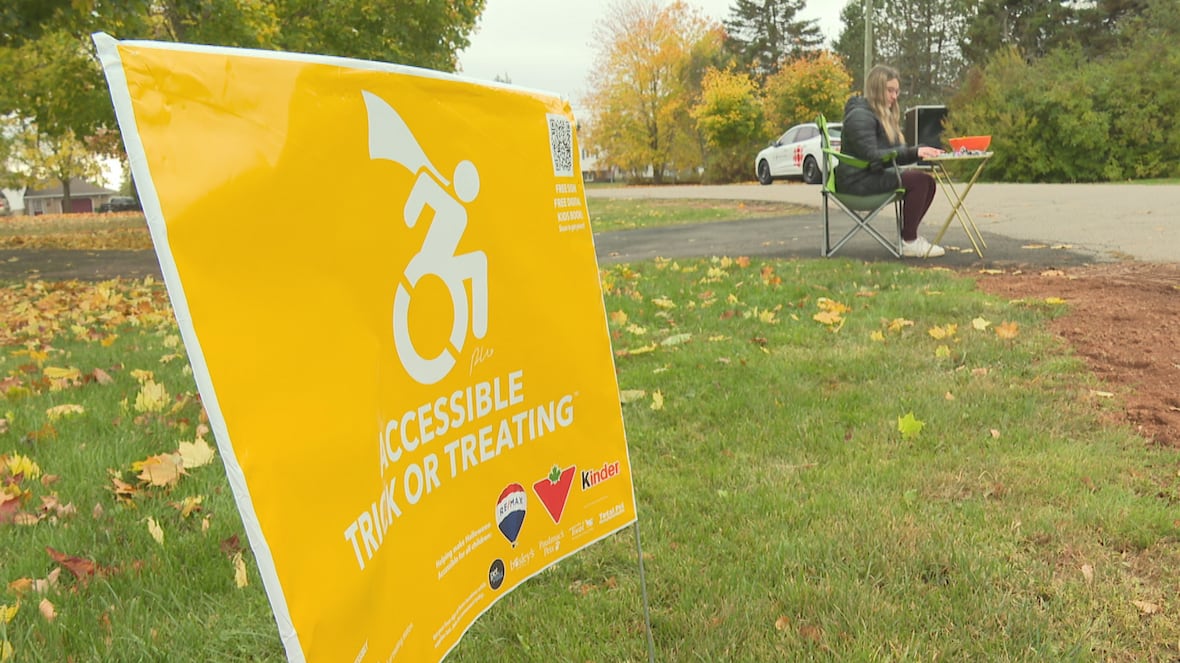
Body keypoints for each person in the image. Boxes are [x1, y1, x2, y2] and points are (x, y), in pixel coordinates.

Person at [838, 65, 945, 258]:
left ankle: (909, 238)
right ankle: (909, 241)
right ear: (876, 88)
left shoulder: (876, 115)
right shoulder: (860, 116)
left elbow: (885, 155)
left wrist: (917, 152)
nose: (895, 96)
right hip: (856, 182)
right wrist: (915, 152)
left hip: (868, 174)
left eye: (896, 91)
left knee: (927, 181)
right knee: (919, 182)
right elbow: (871, 155)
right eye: (890, 90)